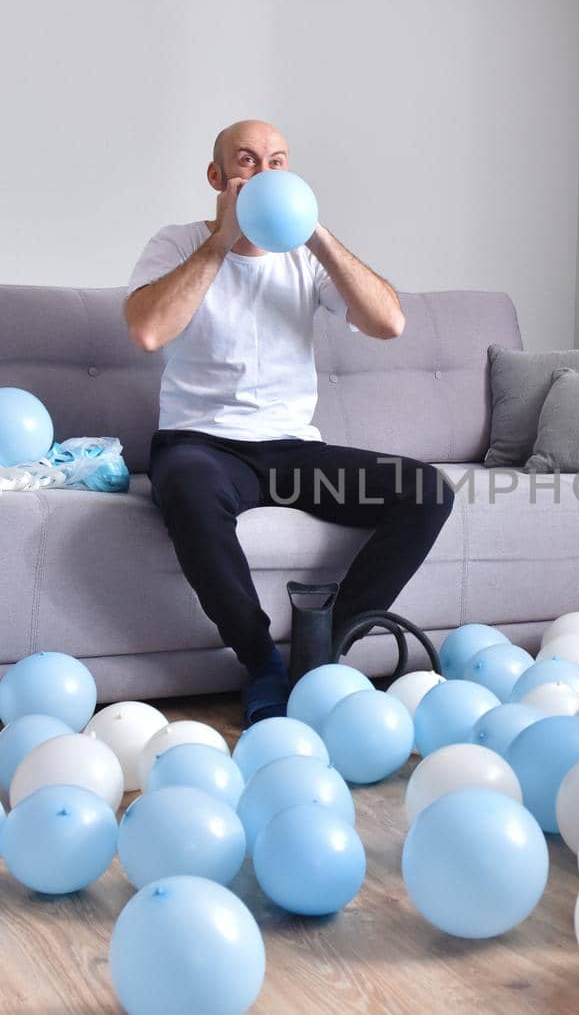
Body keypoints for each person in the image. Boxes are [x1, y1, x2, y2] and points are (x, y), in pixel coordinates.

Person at [124, 120, 454, 724]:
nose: (263, 174)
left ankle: (323, 655)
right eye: (246, 162)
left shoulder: (305, 255)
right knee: (189, 490)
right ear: (217, 177)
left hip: (294, 456)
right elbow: (148, 330)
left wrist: (316, 232)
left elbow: (390, 323)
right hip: (202, 444)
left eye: (277, 163)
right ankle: (261, 665)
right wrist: (221, 241)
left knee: (427, 491)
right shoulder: (177, 243)